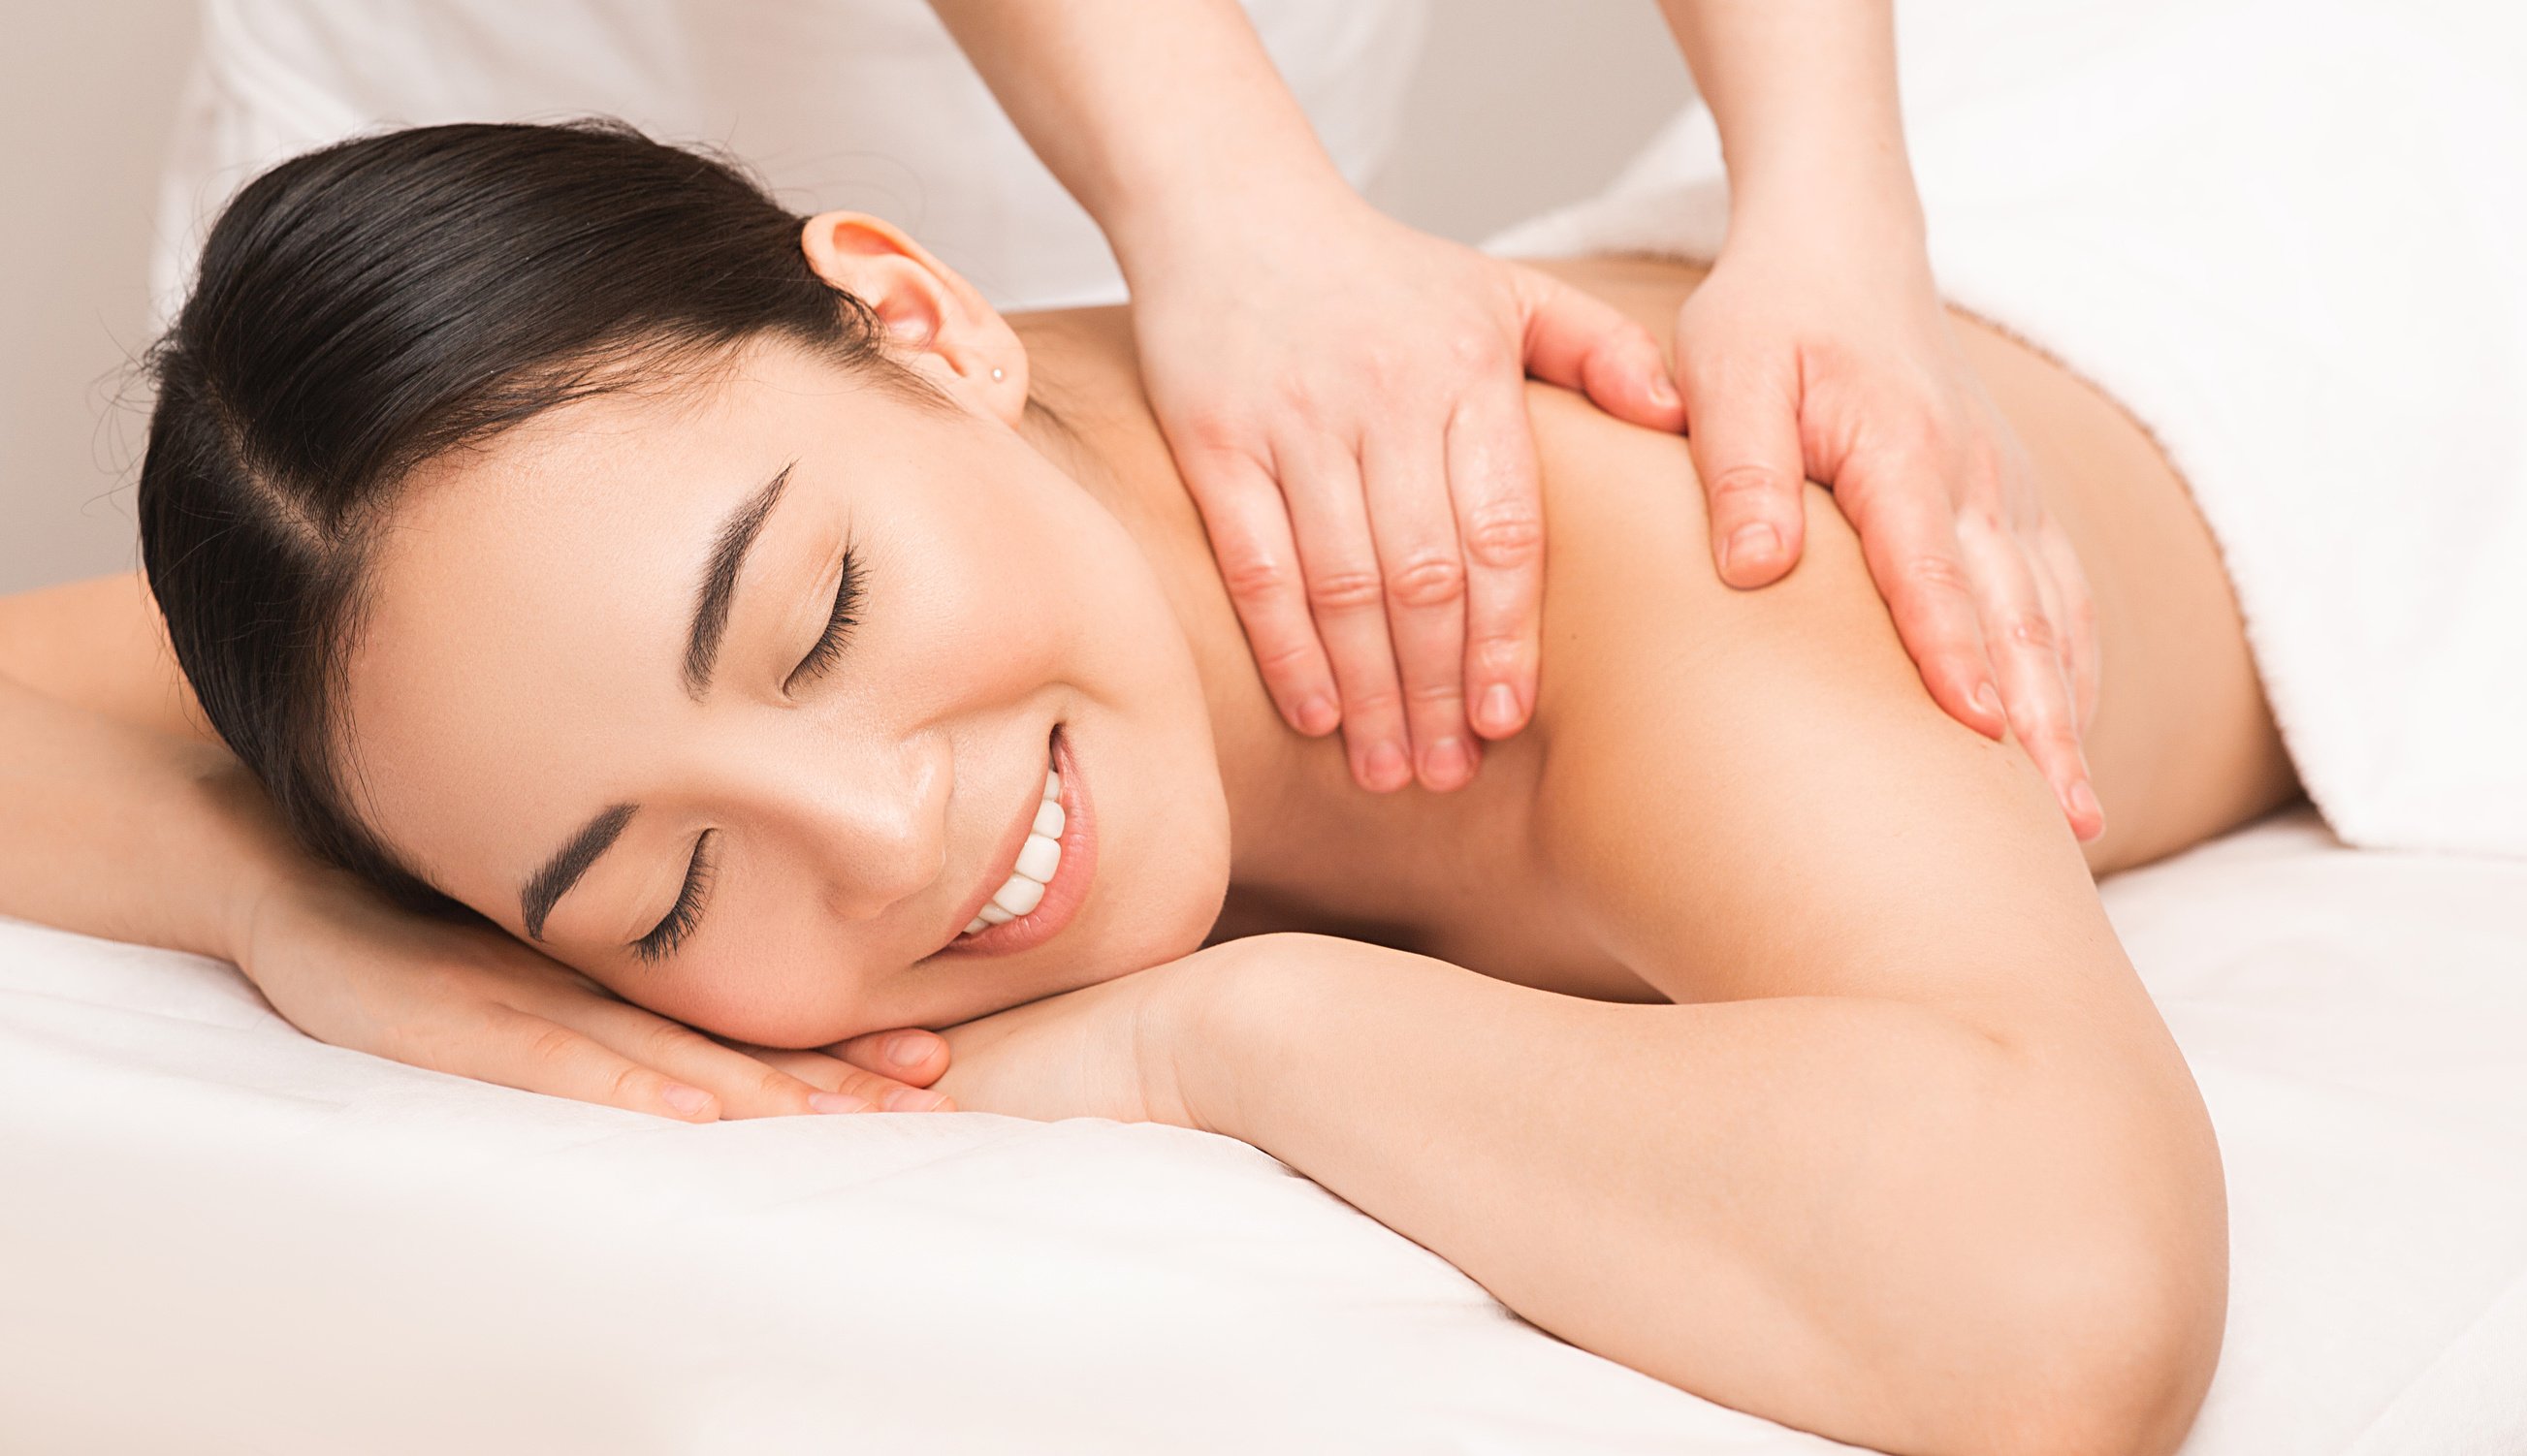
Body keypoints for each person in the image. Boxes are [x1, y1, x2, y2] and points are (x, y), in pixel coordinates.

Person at [5, 121, 2292, 1454]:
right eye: (669, 893)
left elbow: (2061, 1301)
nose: (887, 839)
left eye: (815, 622)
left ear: (922, 317)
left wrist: (1227, 1029)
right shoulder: (512, 634)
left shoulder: (1624, 555)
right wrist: (283, 911)